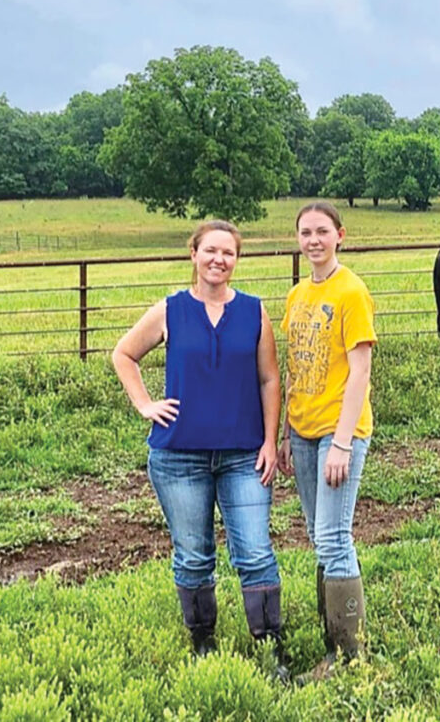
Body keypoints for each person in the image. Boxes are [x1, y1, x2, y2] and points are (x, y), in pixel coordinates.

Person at [112, 220, 286, 676]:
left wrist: (270, 439)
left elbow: (270, 379)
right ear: (193, 254)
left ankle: (271, 648)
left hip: (243, 454)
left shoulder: (253, 311)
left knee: (255, 551)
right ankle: (202, 638)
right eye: (210, 250)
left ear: (236, 260)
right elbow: (123, 354)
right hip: (178, 456)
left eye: (228, 253)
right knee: (193, 552)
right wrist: (145, 403)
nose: (218, 260)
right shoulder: (170, 310)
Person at [277, 201, 376, 682]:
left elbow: (360, 371)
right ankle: (331, 636)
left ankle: (348, 654)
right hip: (302, 429)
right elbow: (296, 367)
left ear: (341, 235)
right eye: (305, 233)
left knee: (335, 537)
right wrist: (284, 434)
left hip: (339, 433)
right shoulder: (297, 295)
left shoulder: (352, 292)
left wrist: (341, 442)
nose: (313, 240)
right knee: (320, 537)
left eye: (322, 232)